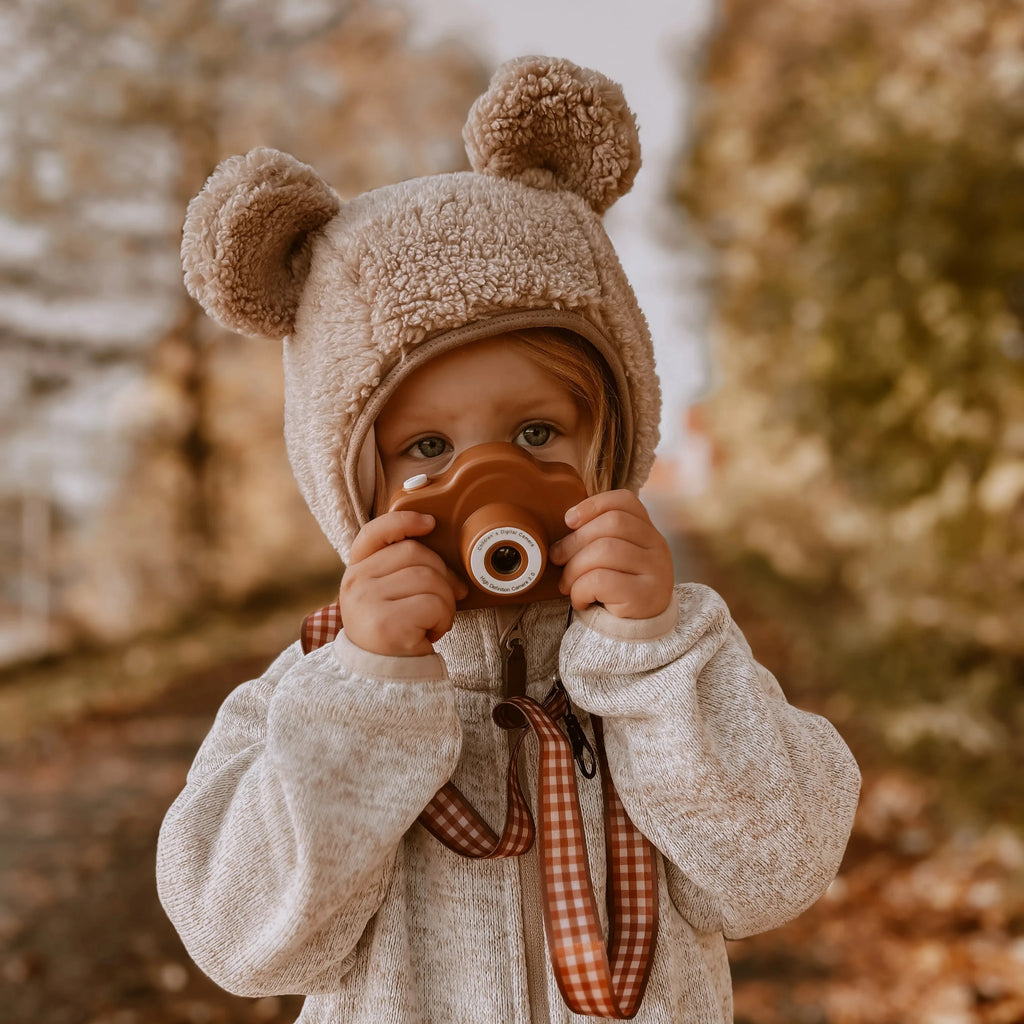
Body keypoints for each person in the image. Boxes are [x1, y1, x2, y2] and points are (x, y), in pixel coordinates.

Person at [157, 56, 860, 1024]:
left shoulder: (672, 654)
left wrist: (652, 660)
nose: (489, 481)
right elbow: (243, 943)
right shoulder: (309, 693)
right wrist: (366, 692)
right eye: (427, 449)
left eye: (536, 434)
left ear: (611, 437)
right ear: (351, 479)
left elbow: (773, 875)